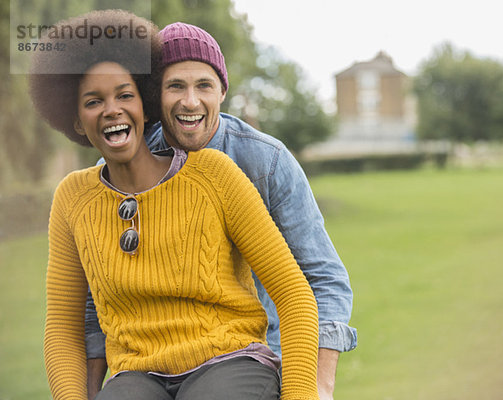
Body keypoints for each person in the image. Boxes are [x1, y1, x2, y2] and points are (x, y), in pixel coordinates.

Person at [29, 10, 320, 400]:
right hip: (136, 373)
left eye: (124, 95)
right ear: (77, 120)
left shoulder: (215, 174)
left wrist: (302, 394)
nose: (112, 109)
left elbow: (294, 293)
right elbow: (65, 327)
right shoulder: (73, 198)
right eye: (93, 101)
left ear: (145, 105)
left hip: (228, 359)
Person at [84, 21, 357, 400]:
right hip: (151, 365)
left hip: (259, 355)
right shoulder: (130, 162)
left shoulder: (266, 161)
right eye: (175, 86)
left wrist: (317, 386)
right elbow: (93, 300)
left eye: (204, 85)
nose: (190, 101)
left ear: (223, 92)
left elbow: (323, 277)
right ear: (153, 96)